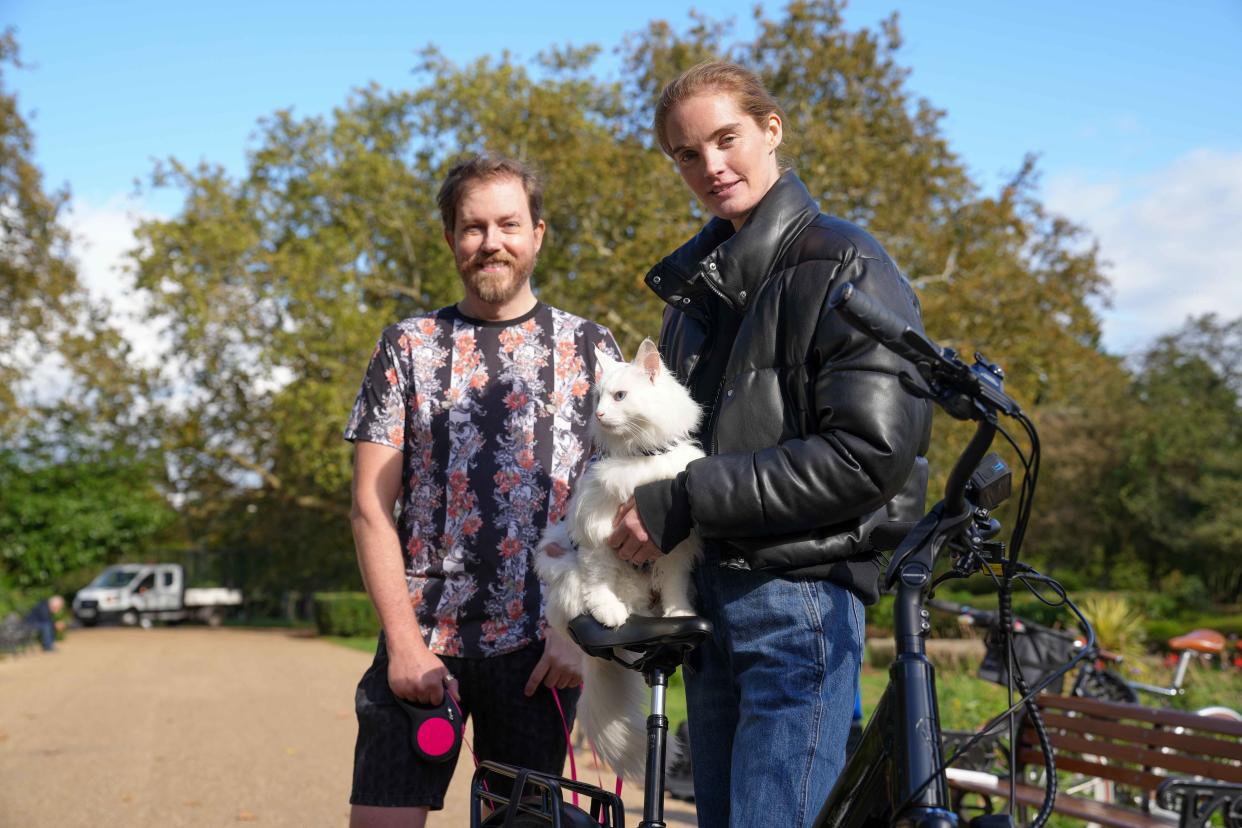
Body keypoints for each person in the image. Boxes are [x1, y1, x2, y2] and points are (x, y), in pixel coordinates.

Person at [608, 61, 933, 827]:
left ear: (772, 129)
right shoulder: (692, 296)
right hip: (708, 601)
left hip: (801, 604)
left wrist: (684, 498)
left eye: (727, 139)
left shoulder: (845, 263)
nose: (711, 166)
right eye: (688, 154)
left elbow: (868, 455)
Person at [344, 154, 621, 827]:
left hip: (539, 652)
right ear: (451, 240)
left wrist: (576, 635)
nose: (490, 242)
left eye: (508, 224)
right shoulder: (407, 347)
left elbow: (617, 504)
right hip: (423, 644)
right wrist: (404, 644)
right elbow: (369, 508)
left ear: (537, 234)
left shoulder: (592, 349)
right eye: (472, 228)